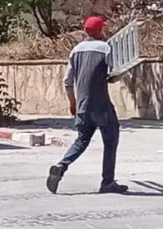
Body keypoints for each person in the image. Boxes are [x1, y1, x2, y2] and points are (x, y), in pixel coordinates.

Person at [46, 16, 128, 195]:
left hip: (82, 105)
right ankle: (107, 182)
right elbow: (114, 75)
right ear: (100, 31)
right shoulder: (106, 48)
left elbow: (67, 81)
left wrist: (73, 103)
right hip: (101, 106)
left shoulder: (76, 50)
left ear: (85, 31)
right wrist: (120, 75)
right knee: (110, 141)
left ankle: (61, 165)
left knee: (81, 140)